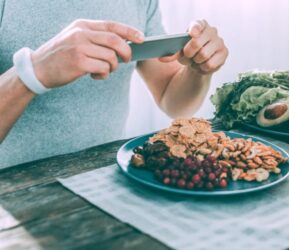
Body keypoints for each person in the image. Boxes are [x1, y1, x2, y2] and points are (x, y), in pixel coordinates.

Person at [0, 0, 228, 169]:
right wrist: (31, 74)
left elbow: (173, 100)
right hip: (14, 195)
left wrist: (198, 70)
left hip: (106, 181)